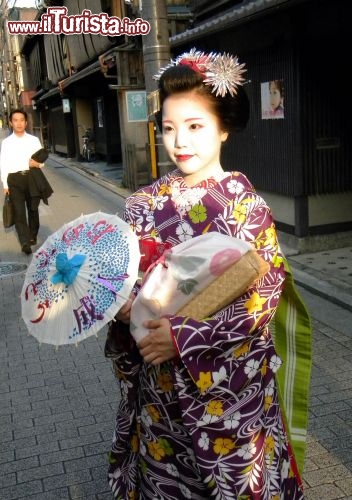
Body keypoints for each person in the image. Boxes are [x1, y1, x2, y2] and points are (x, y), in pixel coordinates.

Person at [106, 49, 306, 499]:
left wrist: (181, 336)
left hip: (228, 396)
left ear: (224, 128)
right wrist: (120, 306)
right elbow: (127, 283)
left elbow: (262, 298)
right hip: (159, 395)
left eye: (196, 127)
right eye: (170, 128)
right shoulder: (141, 204)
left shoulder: (246, 208)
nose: (181, 142)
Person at [0, 109, 46, 254]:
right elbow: (3, 163)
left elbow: (42, 160)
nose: (19, 123)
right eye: (15, 120)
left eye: (21, 120)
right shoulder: (6, 143)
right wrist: (5, 184)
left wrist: (37, 164)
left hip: (32, 177)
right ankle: (24, 242)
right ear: (11, 123)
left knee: (33, 209)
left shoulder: (34, 140)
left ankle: (33, 235)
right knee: (19, 212)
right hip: (14, 179)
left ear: (26, 123)